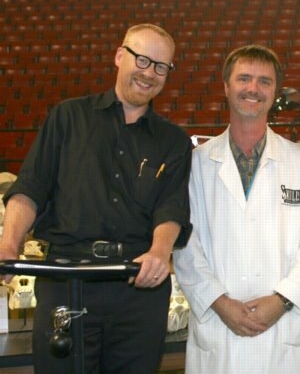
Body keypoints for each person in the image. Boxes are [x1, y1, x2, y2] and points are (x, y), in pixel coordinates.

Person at [0, 23, 192, 373]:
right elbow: (30, 187)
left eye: (161, 67)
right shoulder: (67, 117)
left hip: (138, 289)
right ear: (120, 56)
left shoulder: (174, 141)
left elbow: (171, 207)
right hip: (66, 280)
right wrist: (8, 245)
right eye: (143, 60)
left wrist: (159, 252)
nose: (150, 73)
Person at [172, 44, 300, 373]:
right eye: (244, 79)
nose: (253, 89)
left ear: (274, 92)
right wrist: (219, 302)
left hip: (285, 332)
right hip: (218, 329)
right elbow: (184, 242)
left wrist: (282, 300)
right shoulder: (196, 164)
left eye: (264, 81)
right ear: (226, 87)